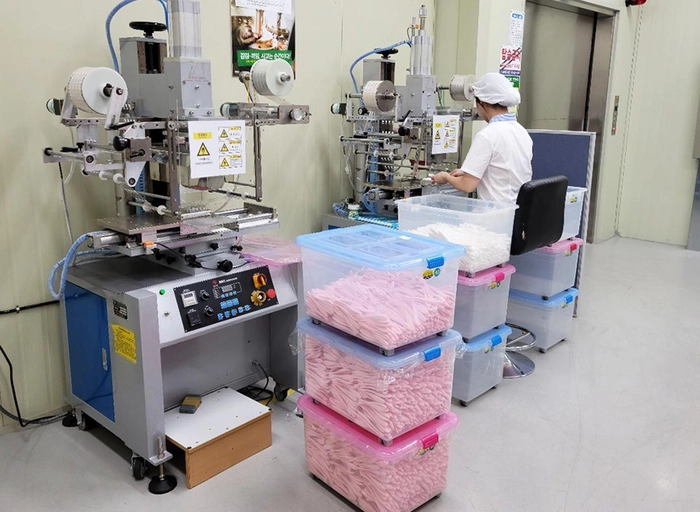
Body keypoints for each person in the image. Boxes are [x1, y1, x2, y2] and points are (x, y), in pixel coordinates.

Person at [431, 73, 533, 204]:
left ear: (482, 102)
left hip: (495, 212)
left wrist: (445, 177)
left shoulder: (487, 135)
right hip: (517, 209)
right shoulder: (521, 131)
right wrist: (470, 171)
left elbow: (467, 186)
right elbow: (506, 167)